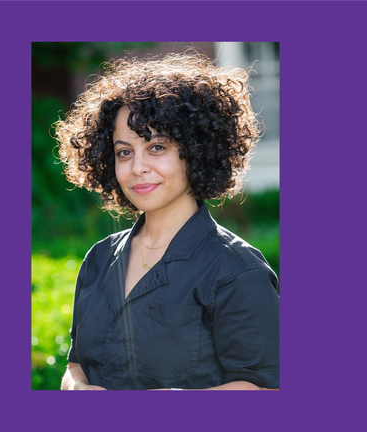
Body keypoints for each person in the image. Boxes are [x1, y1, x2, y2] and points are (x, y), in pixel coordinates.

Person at [55, 51, 279, 390]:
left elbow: (267, 388)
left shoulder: (237, 272)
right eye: (124, 152)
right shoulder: (98, 260)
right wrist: (76, 387)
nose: (138, 167)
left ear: (196, 151)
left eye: (157, 147)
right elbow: (76, 365)